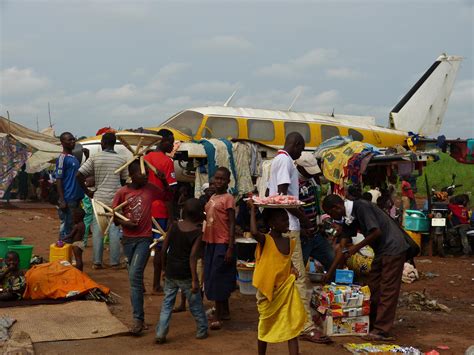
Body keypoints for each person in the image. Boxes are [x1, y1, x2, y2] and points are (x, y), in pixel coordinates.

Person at [267, 132, 329, 343]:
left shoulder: (276, 160)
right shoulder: (285, 161)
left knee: (284, 277)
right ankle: (305, 327)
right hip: (290, 226)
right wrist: (305, 221)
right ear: (296, 144)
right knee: (299, 278)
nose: (300, 153)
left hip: (285, 225)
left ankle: (284, 318)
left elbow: (271, 193)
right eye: (301, 149)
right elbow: (284, 197)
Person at [322, 194, 409, 341]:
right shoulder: (349, 218)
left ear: (337, 207)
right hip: (381, 251)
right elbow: (342, 248)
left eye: (332, 213)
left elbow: (376, 232)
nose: (333, 217)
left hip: (393, 248)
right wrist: (330, 273)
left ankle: (381, 330)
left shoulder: (361, 206)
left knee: (387, 289)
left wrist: (355, 248)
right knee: (372, 286)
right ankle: (372, 322)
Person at [112, 160, 171, 335]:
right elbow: (113, 217)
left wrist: (164, 181)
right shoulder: (122, 192)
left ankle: (137, 320)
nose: (145, 177)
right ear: (132, 174)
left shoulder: (150, 188)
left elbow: (167, 196)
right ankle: (140, 318)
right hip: (127, 240)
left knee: (135, 275)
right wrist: (126, 222)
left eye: (146, 174)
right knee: (134, 280)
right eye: (141, 174)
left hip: (144, 239)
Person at [249, 202, 306, 355]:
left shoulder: (290, 241)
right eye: (283, 220)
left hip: (285, 290)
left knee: (292, 326)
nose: (287, 223)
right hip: (268, 292)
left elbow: (286, 261)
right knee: (265, 324)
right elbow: (254, 232)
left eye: (287, 220)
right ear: (272, 224)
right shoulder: (265, 240)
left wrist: (293, 267)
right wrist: (253, 210)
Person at [155, 198, 208, 344]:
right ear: (199, 214)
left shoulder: (174, 226)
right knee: (195, 304)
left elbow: (164, 249)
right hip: (186, 274)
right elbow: (193, 257)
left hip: (171, 271)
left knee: (167, 304)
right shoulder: (197, 233)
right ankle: (202, 329)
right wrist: (195, 280)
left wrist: (164, 269)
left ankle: (160, 333)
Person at [77, 132, 128, 269]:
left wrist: (87, 191)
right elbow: (124, 181)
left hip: (99, 198)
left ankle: (97, 262)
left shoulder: (95, 157)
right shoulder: (121, 159)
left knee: (98, 229)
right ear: (114, 143)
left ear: (103, 143)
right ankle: (114, 262)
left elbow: (79, 174)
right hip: (115, 199)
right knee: (114, 229)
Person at [144, 129, 178, 293]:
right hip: (160, 209)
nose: (172, 145)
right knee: (159, 247)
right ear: (162, 141)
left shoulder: (145, 158)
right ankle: (156, 284)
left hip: (145, 208)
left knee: (144, 245)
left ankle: (140, 283)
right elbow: (170, 192)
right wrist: (172, 216)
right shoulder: (167, 161)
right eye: (170, 142)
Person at [203, 167, 236, 330]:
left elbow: (231, 223)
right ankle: (225, 311)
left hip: (222, 242)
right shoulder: (213, 197)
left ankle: (217, 316)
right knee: (213, 275)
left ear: (228, 181)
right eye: (216, 178)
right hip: (210, 241)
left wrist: (230, 246)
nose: (218, 181)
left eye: (222, 179)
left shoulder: (228, 198)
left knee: (217, 276)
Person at [295, 154, 334, 271]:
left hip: (315, 233)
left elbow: (315, 203)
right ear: (300, 168)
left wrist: (319, 222)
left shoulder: (311, 181)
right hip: (303, 235)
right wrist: (301, 230)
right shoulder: (293, 183)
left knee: (332, 260)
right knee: (299, 270)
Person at [55, 132, 85, 241]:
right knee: (67, 230)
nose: (73, 141)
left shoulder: (74, 158)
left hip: (76, 198)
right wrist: (62, 199)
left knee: (74, 229)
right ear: (62, 143)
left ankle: (68, 254)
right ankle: (62, 254)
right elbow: (58, 179)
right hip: (68, 198)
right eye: (69, 140)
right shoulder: (62, 159)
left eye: (73, 139)